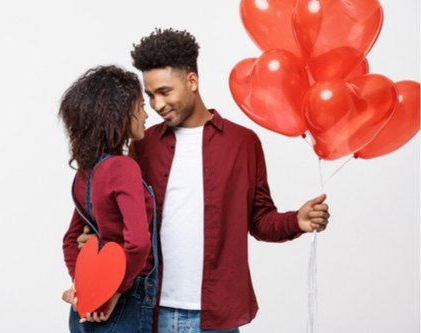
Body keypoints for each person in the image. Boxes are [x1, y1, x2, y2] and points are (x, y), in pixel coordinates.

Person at [76, 29, 330, 333]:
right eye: (150, 96)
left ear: (192, 82)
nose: (157, 105)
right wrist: (93, 240)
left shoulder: (242, 143)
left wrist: (296, 222)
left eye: (165, 92)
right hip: (149, 310)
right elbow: (122, 217)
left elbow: (259, 220)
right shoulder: (143, 146)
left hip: (216, 315)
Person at [59, 65, 159, 332]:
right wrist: (114, 292)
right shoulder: (124, 168)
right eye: (140, 106)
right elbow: (137, 243)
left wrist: (83, 288)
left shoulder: (85, 172)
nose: (146, 114)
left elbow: (70, 239)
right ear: (120, 114)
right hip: (124, 302)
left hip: (85, 308)